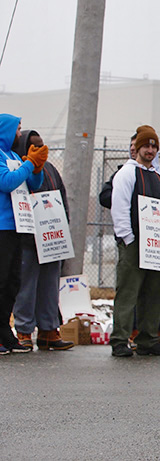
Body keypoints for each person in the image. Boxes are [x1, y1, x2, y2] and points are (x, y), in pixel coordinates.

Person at [99, 134, 160, 351]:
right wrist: (127, 238)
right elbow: (119, 207)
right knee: (128, 293)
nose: (150, 150)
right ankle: (120, 340)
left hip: (156, 243)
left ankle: (148, 339)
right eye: (146, 146)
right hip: (133, 242)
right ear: (137, 149)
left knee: (154, 292)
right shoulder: (127, 173)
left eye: (154, 146)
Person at [12, 130, 73, 350]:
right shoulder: (18, 168)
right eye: (34, 147)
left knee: (49, 287)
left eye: (42, 145)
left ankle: (49, 330)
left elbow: (62, 199)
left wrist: (64, 227)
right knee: (26, 288)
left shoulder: (50, 169)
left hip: (52, 240)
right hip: (27, 240)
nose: (40, 150)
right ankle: (24, 330)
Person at [0, 114, 45, 354]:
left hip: (18, 226)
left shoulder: (14, 156)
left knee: (12, 282)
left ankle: (4, 333)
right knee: (1, 281)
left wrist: (36, 168)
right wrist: (29, 165)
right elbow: (6, 182)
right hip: (2, 228)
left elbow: (31, 185)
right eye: (17, 129)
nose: (20, 133)